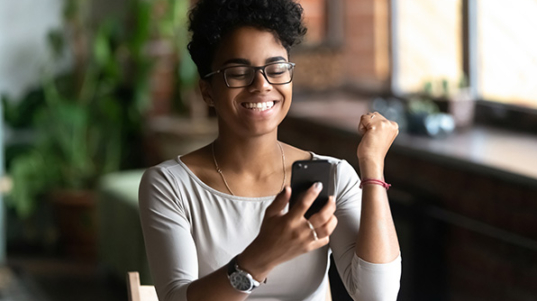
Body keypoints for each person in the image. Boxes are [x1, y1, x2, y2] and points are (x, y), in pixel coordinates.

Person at [139, 0, 402, 300]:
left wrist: (372, 164)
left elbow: (377, 295)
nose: (261, 85)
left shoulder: (331, 176)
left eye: (276, 69)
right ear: (207, 91)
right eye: (238, 73)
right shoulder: (171, 185)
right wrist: (262, 256)